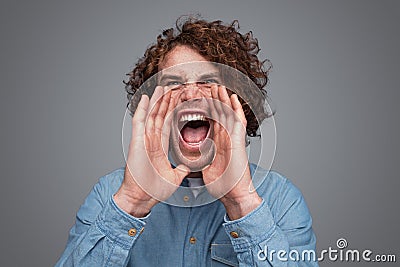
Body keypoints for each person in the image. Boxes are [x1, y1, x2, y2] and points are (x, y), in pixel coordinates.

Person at [56, 16, 317, 266]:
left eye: (207, 81)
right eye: (173, 83)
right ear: (153, 106)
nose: (190, 93)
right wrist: (131, 203)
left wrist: (241, 203)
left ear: (236, 101)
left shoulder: (281, 199)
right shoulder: (109, 194)